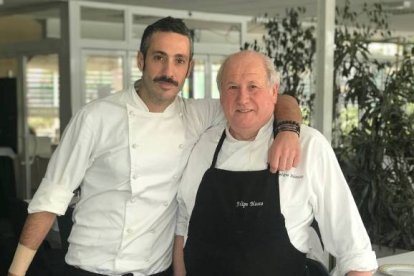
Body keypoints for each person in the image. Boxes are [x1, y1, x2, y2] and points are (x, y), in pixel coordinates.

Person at [8, 18, 302, 276]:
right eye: (159, 57)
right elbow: (51, 198)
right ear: (141, 60)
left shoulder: (196, 114)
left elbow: (274, 100)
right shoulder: (96, 117)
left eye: (179, 60)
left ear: (189, 67)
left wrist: (288, 129)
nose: (168, 71)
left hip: (154, 270)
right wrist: (16, 271)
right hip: (89, 267)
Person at [173, 50, 378, 276]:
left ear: (273, 92)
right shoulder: (203, 145)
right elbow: (183, 222)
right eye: (232, 87)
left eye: (253, 87)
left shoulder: (309, 146)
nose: (242, 98)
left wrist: (289, 130)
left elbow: (356, 254)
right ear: (221, 95)